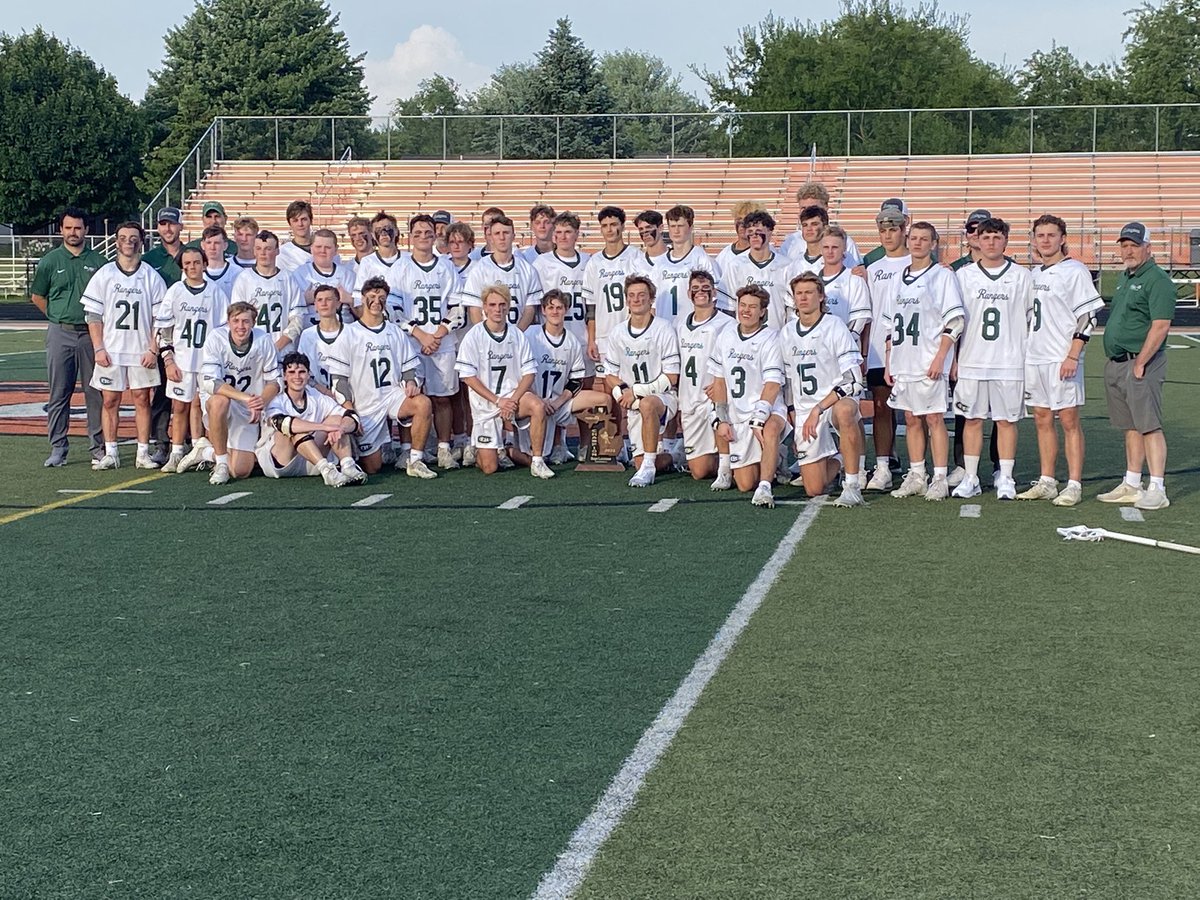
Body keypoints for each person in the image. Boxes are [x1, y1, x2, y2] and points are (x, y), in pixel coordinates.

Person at [1017, 214, 1104, 507]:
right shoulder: (1034, 274)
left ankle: (1075, 484)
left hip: (1061, 357)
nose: (1045, 240)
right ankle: (1047, 481)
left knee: (1068, 420)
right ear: (1033, 240)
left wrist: (1073, 354)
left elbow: (1089, 315)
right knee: (1042, 418)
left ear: (1063, 238)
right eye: (1040, 236)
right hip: (1036, 357)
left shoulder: (1075, 271)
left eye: (1051, 235)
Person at [951, 217, 1034, 501]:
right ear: (978, 241)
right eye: (986, 237)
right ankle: (971, 476)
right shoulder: (964, 275)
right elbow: (954, 319)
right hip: (972, 359)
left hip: (1010, 360)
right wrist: (953, 358)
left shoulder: (1022, 276)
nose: (991, 242)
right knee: (972, 419)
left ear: (1006, 241)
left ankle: (1006, 477)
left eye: (997, 237)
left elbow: (1029, 318)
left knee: (1006, 421)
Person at [884, 222, 964, 501]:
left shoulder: (941, 276)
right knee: (910, 417)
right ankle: (917, 474)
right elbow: (890, 325)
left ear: (933, 244)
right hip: (903, 359)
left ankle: (940, 476)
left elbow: (954, 322)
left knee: (934, 417)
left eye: (924, 239)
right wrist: (888, 362)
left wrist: (941, 357)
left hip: (928, 358)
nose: (917, 243)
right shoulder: (897, 278)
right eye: (913, 238)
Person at [325, 277, 436, 478]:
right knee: (373, 467)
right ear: (363, 298)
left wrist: (411, 382)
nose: (377, 301)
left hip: (392, 395)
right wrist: (349, 409)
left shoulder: (395, 332)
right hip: (366, 404)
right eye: (372, 297)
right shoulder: (349, 334)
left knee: (423, 403)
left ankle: (416, 460)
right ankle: (359, 449)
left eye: (382, 297)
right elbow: (339, 378)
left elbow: (408, 367)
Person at [1098, 221, 1176, 510]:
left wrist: (1141, 362)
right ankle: (1132, 483)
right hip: (1119, 362)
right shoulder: (1126, 277)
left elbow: (1161, 325)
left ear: (1148, 247)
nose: (1128, 250)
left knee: (1149, 426)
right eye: (1125, 245)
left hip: (1140, 362)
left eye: (1134, 245)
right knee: (1130, 426)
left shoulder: (1157, 279)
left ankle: (1157, 487)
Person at [82, 221, 167, 471]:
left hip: (141, 349)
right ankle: (111, 452)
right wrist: (98, 348)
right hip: (112, 349)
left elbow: (159, 318)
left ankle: (142, 452)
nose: (128, 241)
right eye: (123, 237)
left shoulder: (150, 275)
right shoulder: (105, 273)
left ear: (141, 241)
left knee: (142, 399)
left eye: (134, 237)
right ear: (116, 241)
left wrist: (153, 348)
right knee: (109, 400)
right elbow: (93, 315)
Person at [781, 272, 866, 506]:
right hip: (806, 408)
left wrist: (819, 408)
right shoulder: (788, 332)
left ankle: (852, 484)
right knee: (814, 488)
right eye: (799, 293)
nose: (803, 298)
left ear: (821, 296)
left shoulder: (834, 326)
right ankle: (840, 458)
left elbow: (853, 379)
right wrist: (792, 410)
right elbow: (788, 379)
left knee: (846, 411)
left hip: (832, 402)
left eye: (809, 292)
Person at [31, 207, 106, 467]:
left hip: (90, 335)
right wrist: (56, 315)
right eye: (68, 227)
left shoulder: (99, 262)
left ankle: (98, 448)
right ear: (60, 229)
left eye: (78, 228)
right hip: (60, 332)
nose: (73, 232)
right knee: (59, 393)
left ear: (86, 230)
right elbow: (38, 296)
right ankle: (58, 448)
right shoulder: (50, 261)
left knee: (95, 393)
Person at [388, 214, 461, 468]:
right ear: (409, 237)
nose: (423, 237)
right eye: (417, 233)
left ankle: (443, 448)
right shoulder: (400, 268)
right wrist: (420, 335)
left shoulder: (446, 267)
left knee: (442, 398)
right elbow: (393, 309)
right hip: (411, 343)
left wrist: (438, 334)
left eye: (427, 232)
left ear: (434, 235)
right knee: (411, 397)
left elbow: (456, 307)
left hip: (442, 341)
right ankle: (408, 449)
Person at [708, 285, 789, 507]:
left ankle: (765, 488)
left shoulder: (771, 337)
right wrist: (723, 418)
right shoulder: (725, 334)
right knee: (744, 483)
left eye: (752, 307)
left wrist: (759, 418)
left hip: (766, 407)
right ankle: (732, 467)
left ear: (763, 311)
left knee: (770, 429)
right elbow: (719, 381)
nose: (746, 310)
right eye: (742, 305)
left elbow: (772, 385)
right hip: (737, 409)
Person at [455, 283, 543, 475]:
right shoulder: (474, 336)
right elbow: (468, 377)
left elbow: (529, 373)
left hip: (512, 398)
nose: (498, 309)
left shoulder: (517, 335)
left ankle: (537, 460)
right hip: (486, 405)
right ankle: (488, 448)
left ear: (508, 307)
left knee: (537, 405)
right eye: (493, 305)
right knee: (489, 468)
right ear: (484, 307)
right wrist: (498, 401)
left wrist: (511, 400)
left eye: (502, 304)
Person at [188, 301, 280, 484]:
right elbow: (212, 383)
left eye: (245, 321)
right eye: (236, 321)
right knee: (219, 402)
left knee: (241, 471)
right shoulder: (216, 338)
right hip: (227, 400)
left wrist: (260, 401)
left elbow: (274, 382)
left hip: (249, 406)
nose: (240, 326)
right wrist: (247, 399)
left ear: (253, 323)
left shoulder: (263, 340)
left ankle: (207, 452)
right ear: (228, 322)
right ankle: (221, 463)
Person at [519, 289, 611, 473]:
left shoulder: (572, 341)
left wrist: (558, 401)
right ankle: (509, 449)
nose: (555, 312)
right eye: (550, 307)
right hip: (532, 403)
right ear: (543, 311)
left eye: (559, 308)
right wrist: (538, 400)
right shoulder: (530, 335)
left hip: (557, 403)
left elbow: (576, 380)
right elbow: (518, 373)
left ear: (566, 310)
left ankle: (599, 451)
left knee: (603, 399)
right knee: (530, 454)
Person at [603, 275, 681, 488]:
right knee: (636, 462)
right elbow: (610, 375)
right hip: (633, 401)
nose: (637, 300)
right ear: (626, 300)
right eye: (632, 296)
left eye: (642, 295)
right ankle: (675, 457)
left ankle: (649, 467)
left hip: (663, 397)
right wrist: (622, 394)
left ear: (651, 299)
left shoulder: (663, 328)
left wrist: (637, 392)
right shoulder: (618, 332)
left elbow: (672, 377)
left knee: (648, 404)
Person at [157, 246, 228, 472]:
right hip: (182, 360)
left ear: (204, 264)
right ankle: (176, 452)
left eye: (196, 262)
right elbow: (164, 328)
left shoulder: (215, 292)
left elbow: (223, 329)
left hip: (207, 361)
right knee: (179, 407)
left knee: (207, 407)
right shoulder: (176, 291)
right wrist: (168, 360)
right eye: (187, 264)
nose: (192, 267)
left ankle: (206, 450)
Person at [256, 351, 366, 487]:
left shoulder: (317, 397)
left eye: (302, 372)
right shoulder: (276, 400)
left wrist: (341, 428)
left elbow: (352, 417)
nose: (297, 377)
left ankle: (348, 466)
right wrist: (324, 427)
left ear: (308, 375)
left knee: (337, 420)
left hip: (310, 460)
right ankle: (327, 470)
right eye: (291, 372)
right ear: (284, 376)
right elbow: (285, 424)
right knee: (295, 430)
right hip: (280, 462)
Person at [863, 207, 911, 491]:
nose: (888, 235)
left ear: (903, 229)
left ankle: (920, 467)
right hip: (880, 349)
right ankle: (883, 466)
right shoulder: (872, 269)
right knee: (881, 408)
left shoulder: (918, 262)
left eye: (893, 229)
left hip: (912, 348)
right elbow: (868, 312)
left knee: (917, 412)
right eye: (883, 230)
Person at [676, 270, 734, 486]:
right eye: (696, 289)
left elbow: (734, 359)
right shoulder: (681, 325)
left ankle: (727, 468)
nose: (701, 293)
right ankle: (723, 461)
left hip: (713, 397)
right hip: (690, 398)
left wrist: (722, 383)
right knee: (699, 472)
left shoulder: (726, 324)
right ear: (689, 293)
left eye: (706, 289)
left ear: (714, 292)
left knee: (722, 428)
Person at [583, 205, 642, 378]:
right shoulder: (595, 262)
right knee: (607, 387)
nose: (609, 229)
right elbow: (591, 306)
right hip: (603, 336)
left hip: (631, 332)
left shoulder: (635, 256)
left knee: (631, 383)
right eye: (605, 225)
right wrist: (592, 339)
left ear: (622, 227)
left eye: (614, 224)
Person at [458, 215, 543, 328]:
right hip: (489, 337)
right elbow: (474, 309)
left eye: (506, 233)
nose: (502, 237)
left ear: (513, 236)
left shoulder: (527, 269)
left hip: (519, 336)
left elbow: (530, 309)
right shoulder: (479, 269)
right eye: (497, 233)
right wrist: (486, 334)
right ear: (491, 237)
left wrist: (517, 333)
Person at [230, 230, 304, 355]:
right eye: (259, 248)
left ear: (277, 251)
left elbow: (297, 318)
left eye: (268, 248)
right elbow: (237, 318)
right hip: (254, 351)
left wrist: (277, 346)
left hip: (283, 351)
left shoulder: (288, 278)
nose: (263, 253)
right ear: (254, 251)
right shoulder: (244, 279)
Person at [717, 210, 795, 327]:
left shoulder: (786, 266)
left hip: (776, 336)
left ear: (769, 232)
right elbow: (727, 306)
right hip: (745, 337)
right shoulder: (736, 265)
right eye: (750, 232)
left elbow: (792, 307)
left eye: (758, 232)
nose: (754, 236)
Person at [645, 205, 718, 323]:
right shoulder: (660, 263)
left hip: (691, 326)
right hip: (666, 326)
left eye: (680, 226)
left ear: (690, 227)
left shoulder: (701, 258)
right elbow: (653, 303)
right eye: (672, 226)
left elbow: (713, 297)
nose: (676, 231)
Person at [781, 181, 862, 265]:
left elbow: (856, 270)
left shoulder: (844, 241)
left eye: (813, 207)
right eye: (803, 208)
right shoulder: (791, 242)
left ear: (826, 207)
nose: (809, 212)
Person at [291, 228, 355, 325]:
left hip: (343, 332)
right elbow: (289, 307)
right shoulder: (300, 274)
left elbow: (362, 311)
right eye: (318, 247)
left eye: (327, 247)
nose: (322, 251)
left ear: (336, 249)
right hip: (310, 333)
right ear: (311, 248)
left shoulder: (348, 275)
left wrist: (350, 299)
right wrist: (303, 299)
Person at [296, 284, 346, 390]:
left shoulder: (351, 333)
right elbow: (303, 371)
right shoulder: (307, 335)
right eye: (319, 300)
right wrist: (324, 393)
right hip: (319, 396)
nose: (323, 303)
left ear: (338, 303)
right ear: (315, 305)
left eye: (328, 299)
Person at [354, 211, 406, 311]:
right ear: (373, 235)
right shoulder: (367, 262)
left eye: (387, 228)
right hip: (379, 319)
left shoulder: (409, 260)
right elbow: (358, 301)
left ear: (396, 231)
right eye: (378, 230)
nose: (383, 233)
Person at [715, 200, 766, 274]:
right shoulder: (724, 254)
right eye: (739, 221)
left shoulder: (766, 252)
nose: (742, 225)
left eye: (747, 221)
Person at [142, 207, 184, 287]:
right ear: (158, 227)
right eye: (163, 224)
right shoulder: (147, 259)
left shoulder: (192, 255)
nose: (167, 229)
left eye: (172, 223)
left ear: (181, 226)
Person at [277, 199, 316, 272]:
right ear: (290, 224)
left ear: (311, 220)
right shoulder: (283, 253)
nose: (300, 224)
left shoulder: (324, 248)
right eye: (295, 220)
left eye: (304, 219)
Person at [201, 226, 239, 299]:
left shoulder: (237, 273)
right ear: (202, 245)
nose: (212, 247)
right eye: (209, 242)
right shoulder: (193, 272)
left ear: (225, 245)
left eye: (217, 243)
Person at [789, 205, 829, 275]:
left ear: (825, 228)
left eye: (814, 224)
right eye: (805, 225)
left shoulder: (839, 258)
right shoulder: (794, 263)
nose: (809, 229)